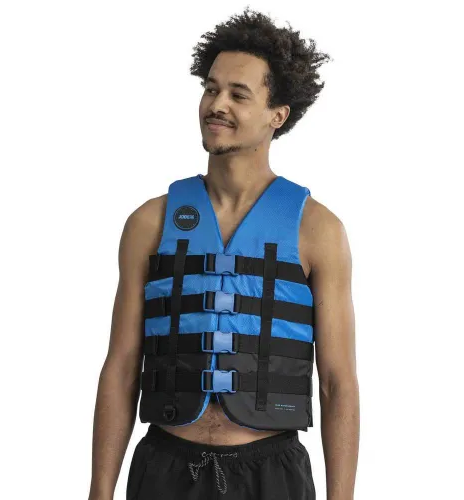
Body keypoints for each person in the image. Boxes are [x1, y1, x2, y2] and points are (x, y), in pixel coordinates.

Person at [87, 7, 359, 500]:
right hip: (164, 468)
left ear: (278, 115)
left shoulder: (318, 230)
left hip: (271, 473)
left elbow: (337, 382)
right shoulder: (150, 222)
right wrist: (98, 492)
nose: (217, 105)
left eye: (238, 94)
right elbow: (121, 366)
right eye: (211, 89)